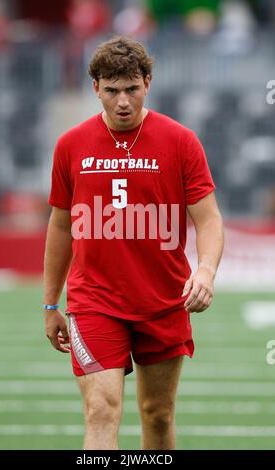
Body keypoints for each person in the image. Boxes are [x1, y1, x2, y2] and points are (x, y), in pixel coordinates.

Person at [43, 36, 224, 450]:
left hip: (163, 298)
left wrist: (207, 270)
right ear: (96, 89)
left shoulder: (181, 141)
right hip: (94, 301)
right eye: (111, 90)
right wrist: (51, 302)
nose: (122, 101)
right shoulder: (70, 145)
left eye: (131, 88)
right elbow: (59, 226)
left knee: (157, 415)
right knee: (102, 410)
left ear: (147, 82)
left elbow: (209, 217)